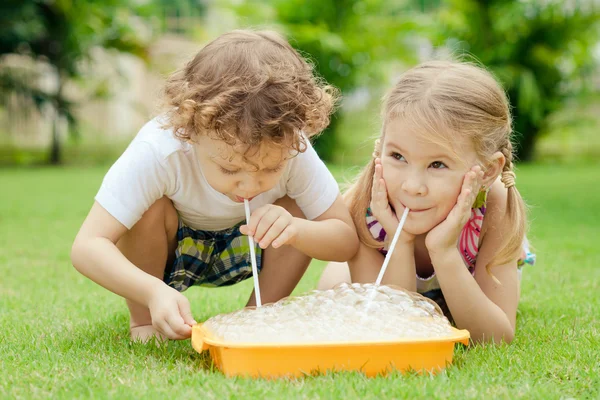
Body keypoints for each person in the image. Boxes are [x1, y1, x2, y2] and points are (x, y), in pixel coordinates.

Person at [70, 30, 359, 343]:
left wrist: (297, 229)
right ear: (190, 129)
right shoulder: (159, 151)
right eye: (230, 168)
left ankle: (259, 317)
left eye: (271, 168)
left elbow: (345, 240)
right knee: (148, 208)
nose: (250, 185)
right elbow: (87, 246)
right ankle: (144, 321)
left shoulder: (293, 148)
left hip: (252, 243)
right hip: (170, 248)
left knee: (295, 209)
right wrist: (152, 292)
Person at [318, 60, 535, 344]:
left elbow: (495, 337)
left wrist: (443, 252)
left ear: (488, 171)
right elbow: (392, 324)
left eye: (437, 164)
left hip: (467, 276)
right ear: (379, 148)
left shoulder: (495, 207)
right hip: (389, 274)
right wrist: (400, 240)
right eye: (398, 157)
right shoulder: (364, 205)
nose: (412, 186)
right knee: (335, 289)